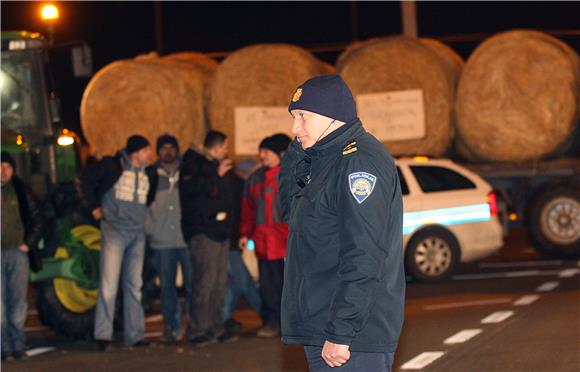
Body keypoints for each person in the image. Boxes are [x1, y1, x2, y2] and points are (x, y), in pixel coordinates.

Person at [279, 74, 405, 371]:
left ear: (331, 117)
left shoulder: (358, 162)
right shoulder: (326, 160)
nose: (295, 127)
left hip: (350, 335)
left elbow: (364, 253)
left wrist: (342, 330)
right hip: (323, 323)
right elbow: (287, 212)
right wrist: (298, 150)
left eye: (302, 117)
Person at [82, 135, 153, 351]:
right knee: (109, 284)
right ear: (135, 153)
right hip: (115, 231)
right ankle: (103, 335)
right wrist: (94, 206)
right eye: (146, 150)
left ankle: (135, 335)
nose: (150, 154)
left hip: (137, 233)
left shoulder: (148, 173)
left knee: (134, 286)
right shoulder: (112, 166)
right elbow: (85, 179)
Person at [179, 130, 234, 346]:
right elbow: (189, 189)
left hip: (220, 232)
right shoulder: (194, 162)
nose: (227, 151)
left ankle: (215, 326)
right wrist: (216, 175)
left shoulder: (213, 166)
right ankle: (197, 330)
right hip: (204, 232)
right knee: (205, 282)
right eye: (226, 147)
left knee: (219, 282)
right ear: (217, 147)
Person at [239, 134, 291, 338]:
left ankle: (292, 325)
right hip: (264, 242)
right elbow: (248, 209)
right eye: (261, 151)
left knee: (290, 286)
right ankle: (272, 322)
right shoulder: (255, 178)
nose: (262, 156)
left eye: (267, 152)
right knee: (268, 287)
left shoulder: (292, 175)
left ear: (280, 154)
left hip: (287, 240)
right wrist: (245, 232)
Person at [145, 134, 192, 344]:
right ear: (158, 151)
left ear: (177, 150)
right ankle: (170, 327)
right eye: (163, 148)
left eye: (171, 147)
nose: (168, 151)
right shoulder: (151, 174)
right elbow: (143, 204)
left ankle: (194, 326)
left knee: (193, 284)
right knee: (166, 287)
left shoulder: (188, 172)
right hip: (162, 239)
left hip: (185, 238)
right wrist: (150, 228)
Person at [1, 152, 43, 361]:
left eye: (7, 166)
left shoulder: (20, 190)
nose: (3, 171)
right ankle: (3, 346)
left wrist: (28, 243)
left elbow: (36, 217)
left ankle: (18, 344)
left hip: (17, 253)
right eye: (0, 166)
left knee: (18, 302)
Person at [222, 158, 262, 334]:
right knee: (242, 281)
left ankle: (224, 316)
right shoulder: (239, 187)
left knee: (240, 281)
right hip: (230, 242)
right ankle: (267, 314)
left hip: (231, 241)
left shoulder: (236, 185)